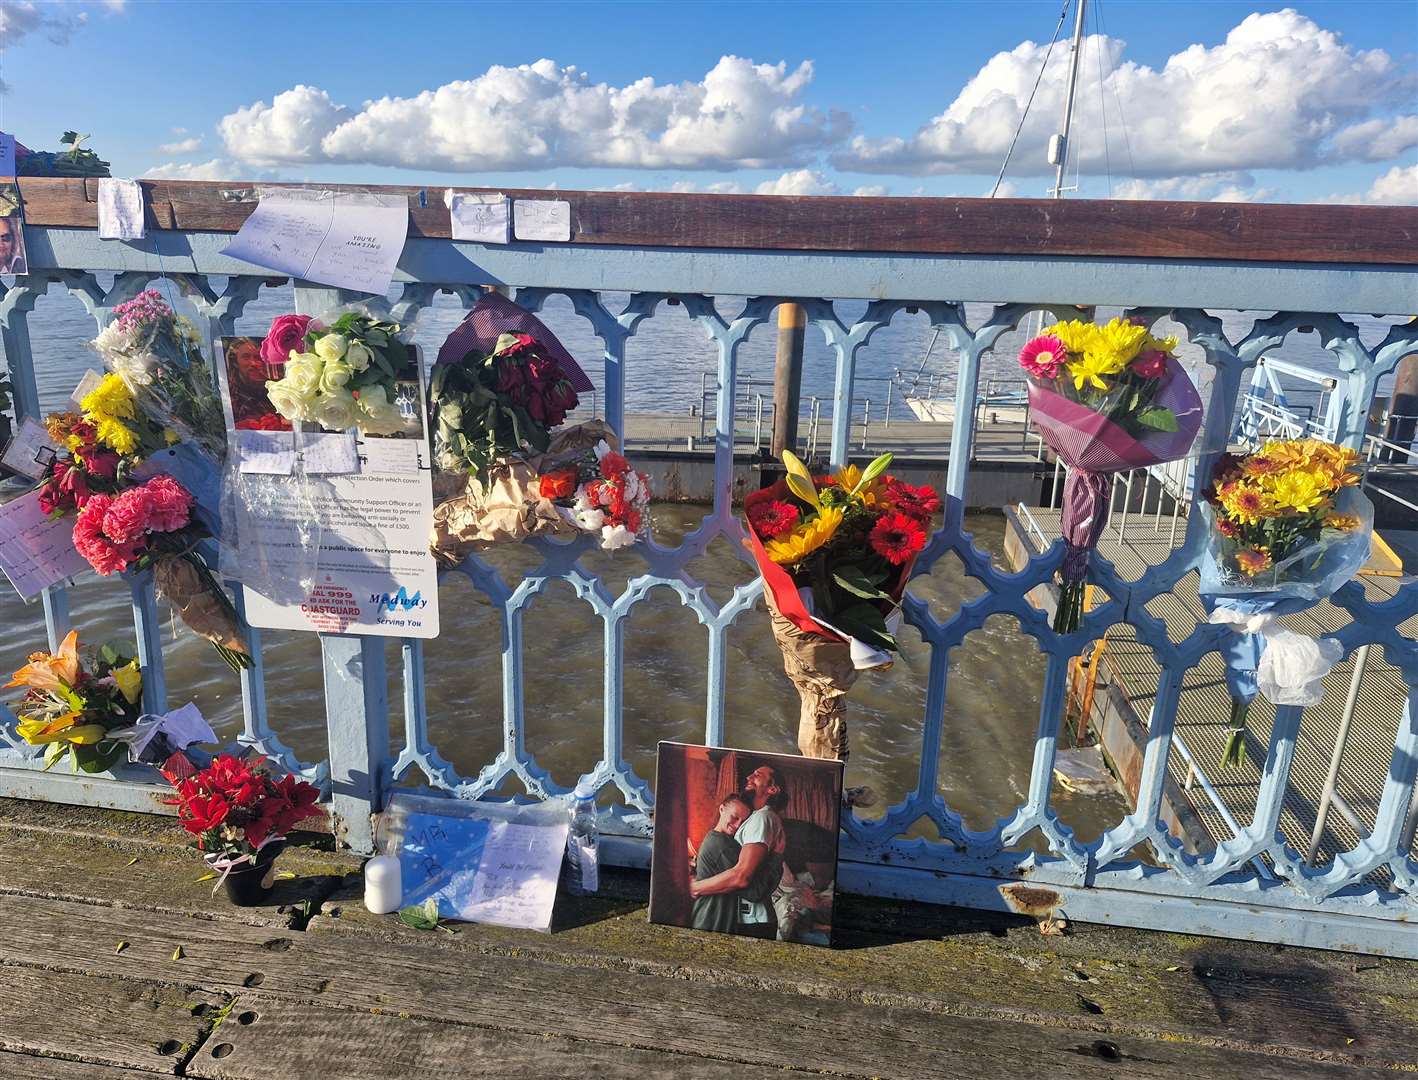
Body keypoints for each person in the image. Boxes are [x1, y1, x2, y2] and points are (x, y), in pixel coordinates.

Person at [689, 764, 788, 940]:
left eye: (757, 775)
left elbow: (742, 878)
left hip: (753, 921)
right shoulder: (754, 818)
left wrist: (694, 887)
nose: (749, 777)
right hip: (747, 919)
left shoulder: (762, 818)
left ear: (772, 789)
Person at [688, 792, 750, 934]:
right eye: (734, 817)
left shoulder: (714, 838)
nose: (737, 825)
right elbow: (748, 884)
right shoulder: (722, 843)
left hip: (709, 917)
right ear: (722, 809)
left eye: (743, 821)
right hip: (711, 918)